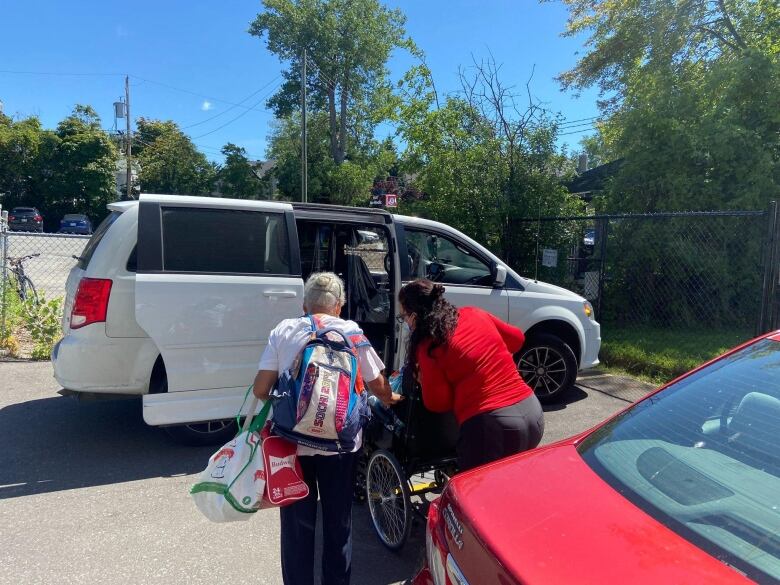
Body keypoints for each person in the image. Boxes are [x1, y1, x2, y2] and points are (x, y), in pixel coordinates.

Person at [251, 272, 401, 585]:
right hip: (341, 447)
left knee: (296, 526)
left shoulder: (284, 329)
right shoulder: (351, 331)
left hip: (292, 445)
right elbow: (378, 386)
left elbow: (261, 389)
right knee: (338, 522)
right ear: (339, 306)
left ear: (305, 303)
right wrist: (392, 396)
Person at [398, 278, 544, 472]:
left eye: (403, 317)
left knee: (475, 495)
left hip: (492, 428)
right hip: (532, 412)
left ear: (414, 316)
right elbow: (517, 339)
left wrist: (423, 380)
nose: (404, 322)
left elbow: (437, 403)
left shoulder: (429, 347)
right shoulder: (474, 313)